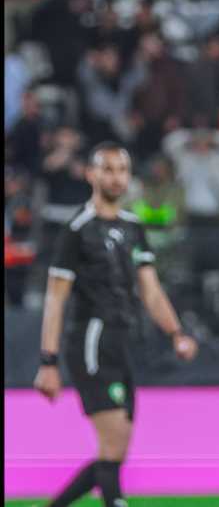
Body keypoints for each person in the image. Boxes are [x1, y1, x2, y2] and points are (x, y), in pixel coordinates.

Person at [33, 142, 199, 507]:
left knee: (116, 448)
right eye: (107, 169)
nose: (115, 177)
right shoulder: (77, 229)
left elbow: (150, 289)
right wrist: (48, 361)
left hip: (122, 343)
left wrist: (176, 334)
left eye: (122, 169)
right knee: (112, 443)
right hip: (91, 343)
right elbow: (55, 298)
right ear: (90, 174)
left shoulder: (133, 227)